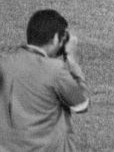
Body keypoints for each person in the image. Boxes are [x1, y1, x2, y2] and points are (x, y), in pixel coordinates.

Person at [0, 9, 90, 151]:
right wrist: (72, 61)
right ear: (55, 38)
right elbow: (82, 104)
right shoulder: (55, 70)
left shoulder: (5, 63)